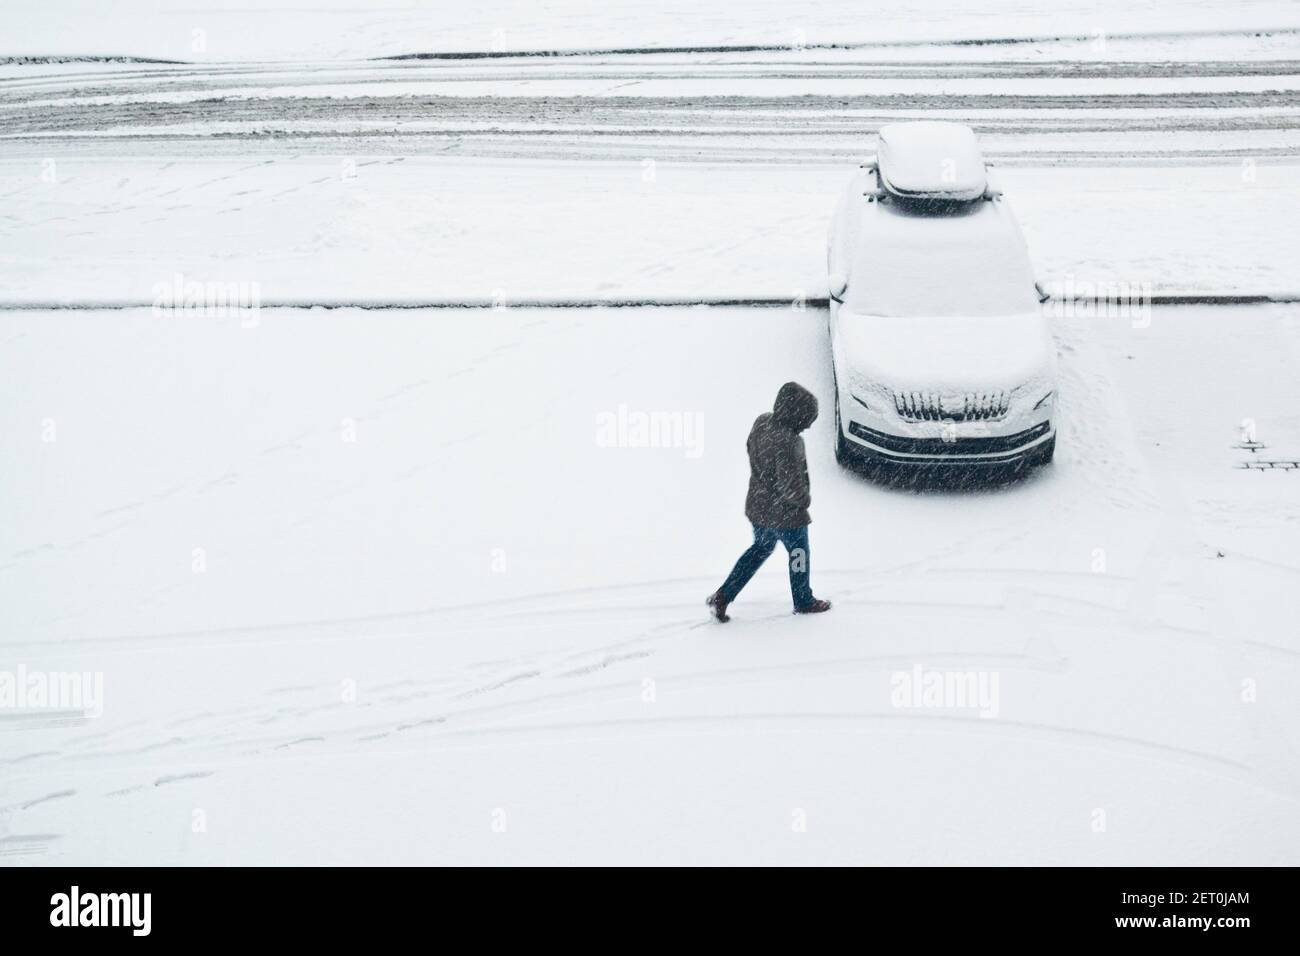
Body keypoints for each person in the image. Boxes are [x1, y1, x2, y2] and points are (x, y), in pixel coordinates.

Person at [707, 382, 832, 622]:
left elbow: (750, 448)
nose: (807, 426)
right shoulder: (790, 442)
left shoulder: (762, 422)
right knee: (798, 554)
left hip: (758, 506)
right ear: (797, 415)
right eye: (807, 419)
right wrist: (804, 500)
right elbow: (791, 486)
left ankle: (723, 595)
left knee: (759, 549)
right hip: (786, 515)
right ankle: (804, 600)